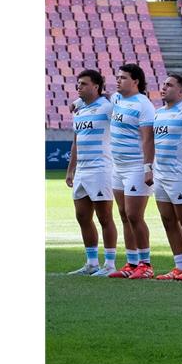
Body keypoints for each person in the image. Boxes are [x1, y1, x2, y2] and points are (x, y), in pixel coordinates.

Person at [65, 69, 119, 277]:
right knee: (82, 216)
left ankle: (110, 264)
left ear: (96, 86)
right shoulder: (79, 111)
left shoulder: (107, 108)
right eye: (78, 83)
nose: (79, 86)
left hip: (101, 169)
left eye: (84, 83)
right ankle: (91, 263)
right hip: (82, 170)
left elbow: (120, 101)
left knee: (104, 216)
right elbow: (76, 141)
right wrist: (71, 169)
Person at [106, 64, 156, 279]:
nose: (118, 81)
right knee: (124, 215)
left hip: (136, 166)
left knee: (135, 215)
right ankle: (131, 262)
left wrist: (148, 168)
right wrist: (79, 102)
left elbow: (148, 138)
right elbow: (97, 101)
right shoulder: (116, 99)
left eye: (123, 78)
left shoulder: (143, 105)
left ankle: (146, 264)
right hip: (118, 166)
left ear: (136, 81)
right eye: (117, 77)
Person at [151, 74, 182, 281]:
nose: (164, 88)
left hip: (181, 174)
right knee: (168, 220)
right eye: (163, 85)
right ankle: (179, 267)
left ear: (181, 91)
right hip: (160, 172)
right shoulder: (158, 113)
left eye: (169, 85)